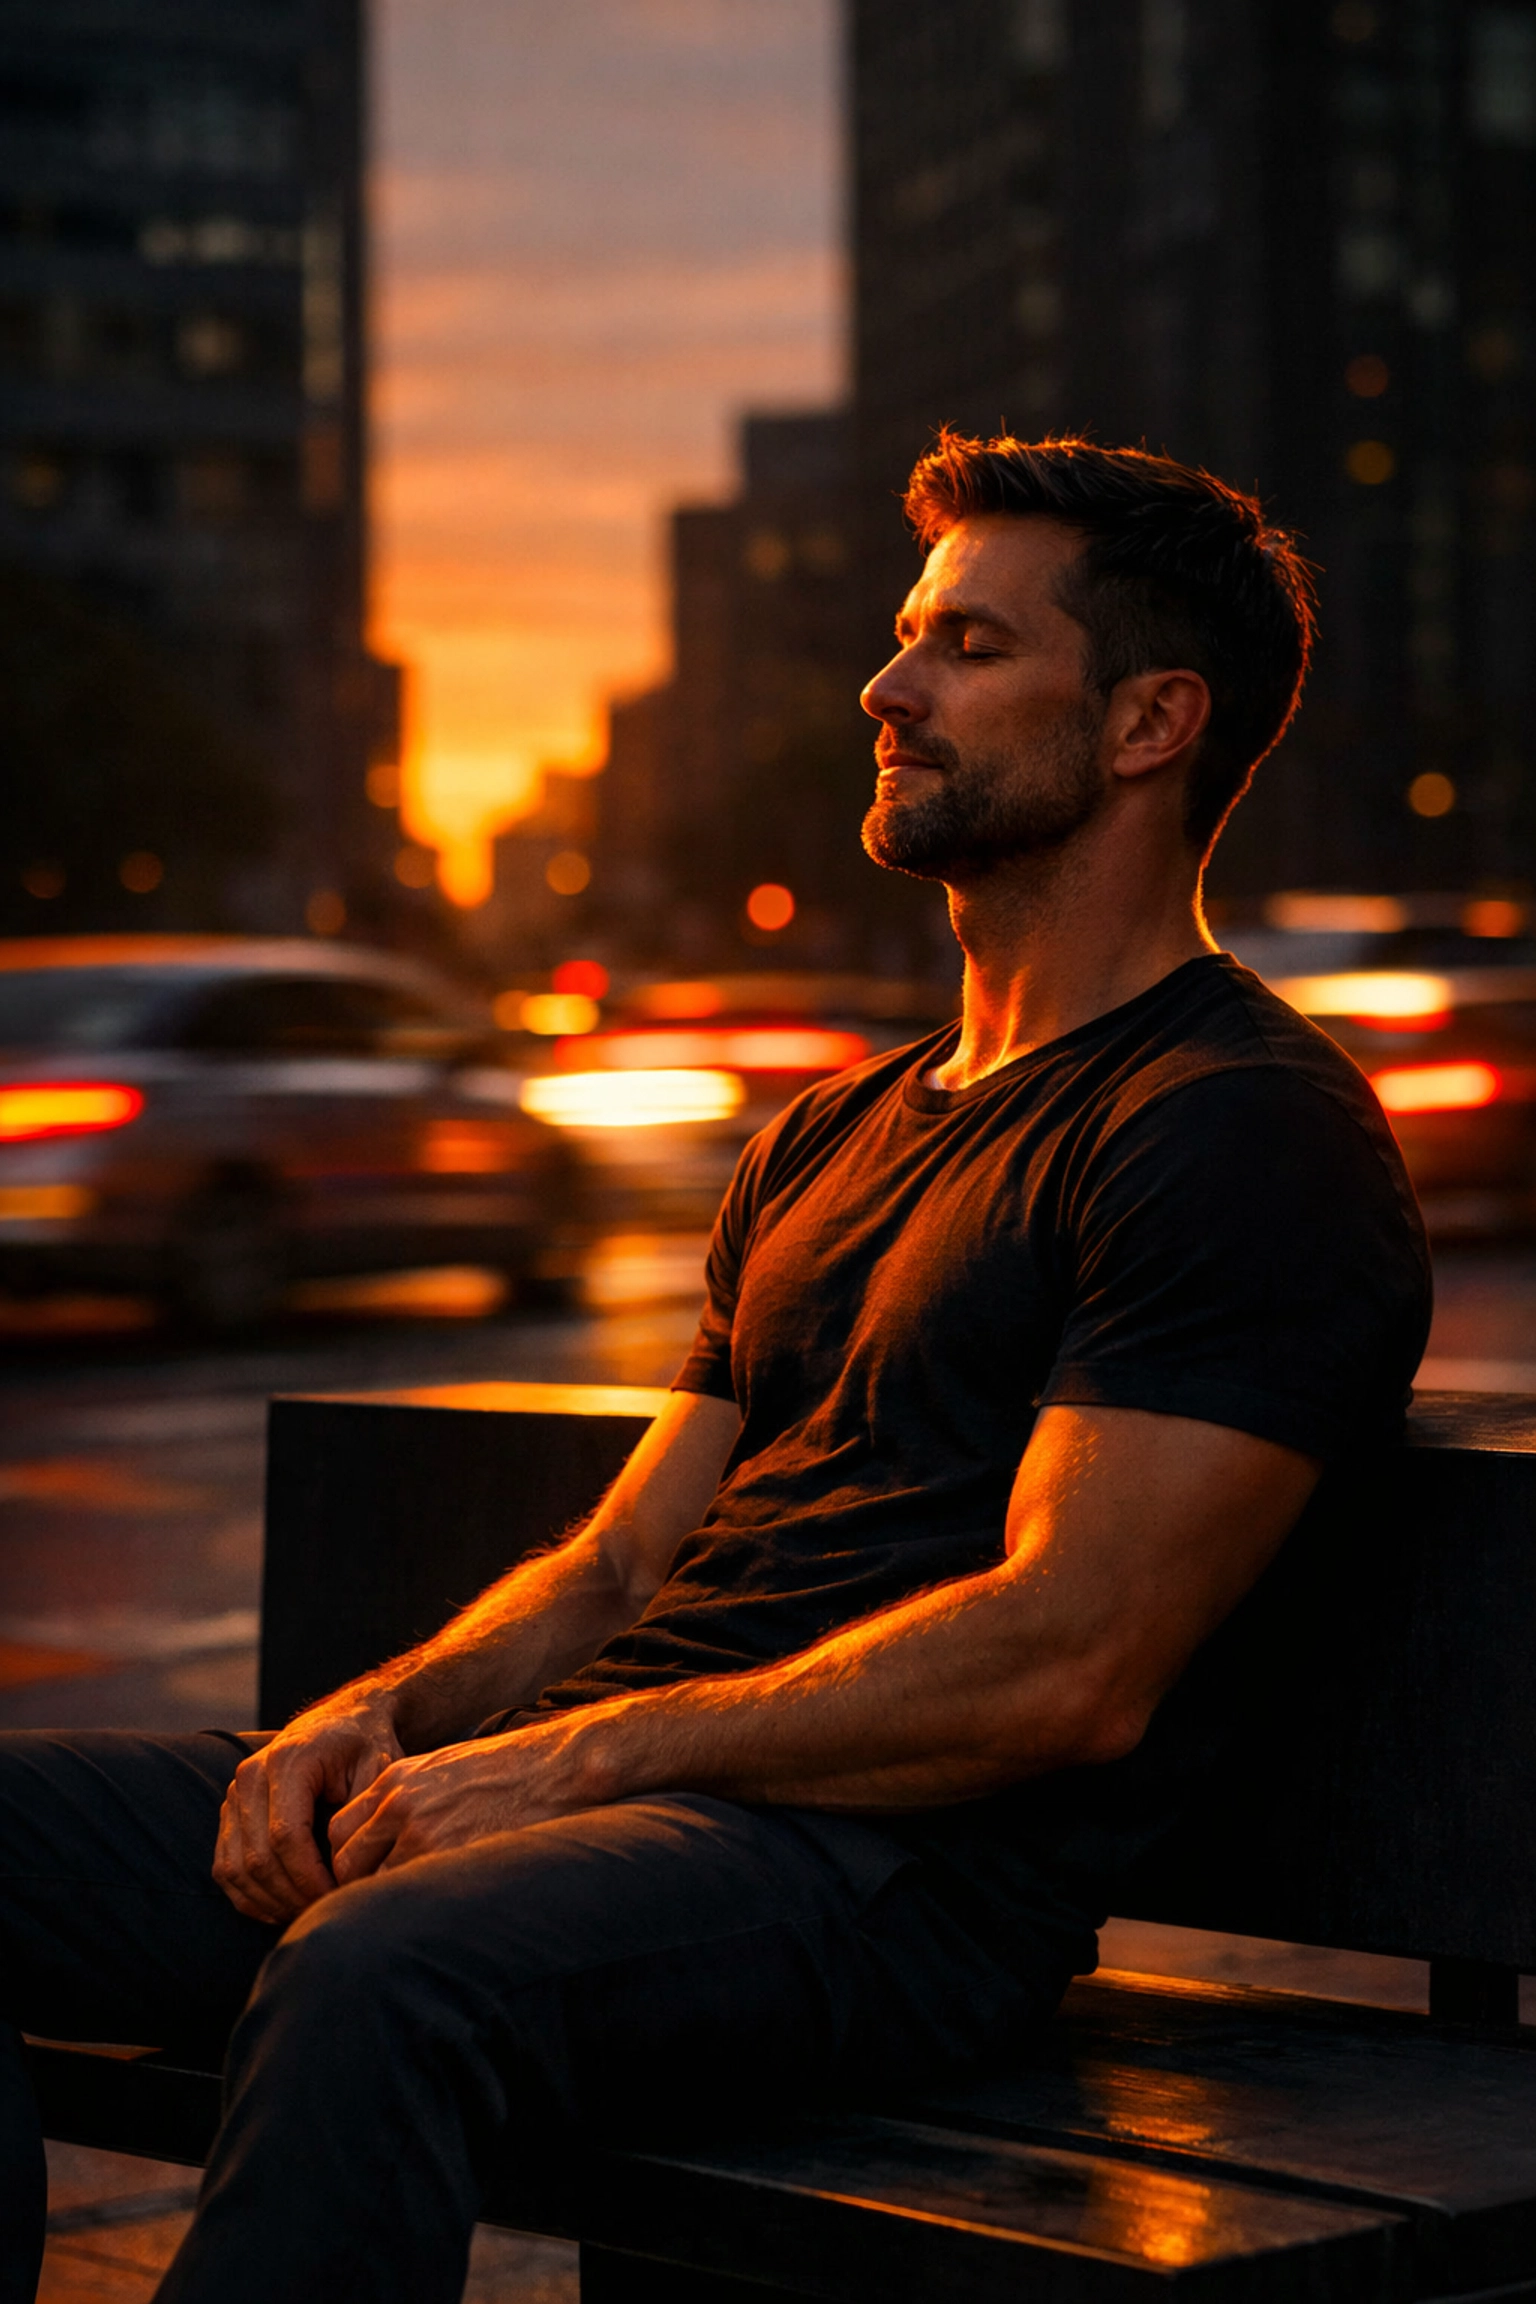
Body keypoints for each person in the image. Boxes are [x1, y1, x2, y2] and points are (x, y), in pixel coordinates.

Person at [0, 433, 1430, 2304]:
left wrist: (569, 1765)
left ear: (1154, 723)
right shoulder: (827, 1130)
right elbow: (615, 1566)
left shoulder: (1234, 1128)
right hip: (613, 1811)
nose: (886, 686)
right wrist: (382, 1718)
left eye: (971, 649)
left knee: (383, 1969)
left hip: (882, 1879)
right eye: (908, 636)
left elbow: (1070, 1664)